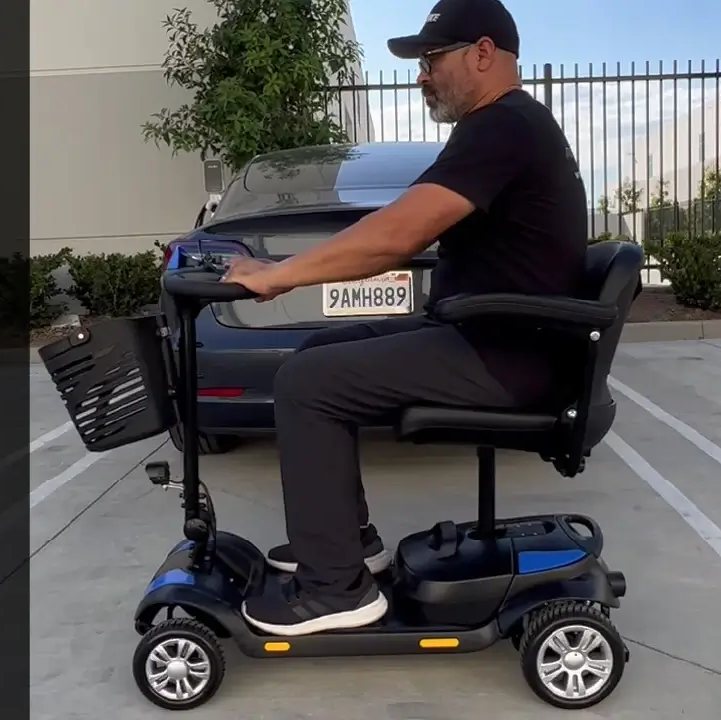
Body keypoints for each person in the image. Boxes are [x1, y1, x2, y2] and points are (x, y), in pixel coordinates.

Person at [222, 0, 588, 637]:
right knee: (314, 355)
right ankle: (346, 544)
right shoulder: (506, 127)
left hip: (505, 354)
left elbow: (397, 234)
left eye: (432, 59)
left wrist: (277, 275)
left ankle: (334, 590)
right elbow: (411, 224)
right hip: (494, 337)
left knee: (306, 384)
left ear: (482, 53)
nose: (422, 75)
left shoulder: (502, 127)